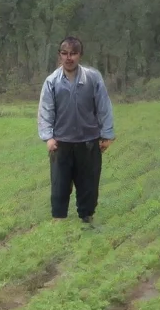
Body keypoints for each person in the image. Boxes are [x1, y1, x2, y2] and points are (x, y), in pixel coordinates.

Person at [37, 37, 116, 226]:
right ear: (59, 55)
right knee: (60, 183)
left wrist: (107, 135)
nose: (68, 57)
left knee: (88, 183)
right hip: (61, 142)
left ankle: (87, 217)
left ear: (80, 55)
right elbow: (46, 110)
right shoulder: (52, 81)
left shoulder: (92, 78)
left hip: (88, 141)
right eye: (64, 53)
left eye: (73, 53)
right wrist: (48, 138)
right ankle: (59, 218)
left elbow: (104, 106)